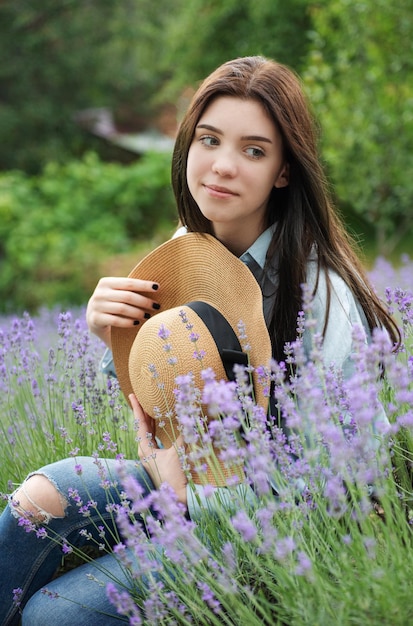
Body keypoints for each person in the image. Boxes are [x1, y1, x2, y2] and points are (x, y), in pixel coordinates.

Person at [0, 55, 399, 625]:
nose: (222, 166)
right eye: (209, 140)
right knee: (36, 501)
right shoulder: (188, 254)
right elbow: (158, 406)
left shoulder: (318, 296)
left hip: (287, 528)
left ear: (285, 170)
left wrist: (189, 498)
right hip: (192, 482)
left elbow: (339, 481)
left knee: (56, 614)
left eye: (254, 150)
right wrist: (111, 334)